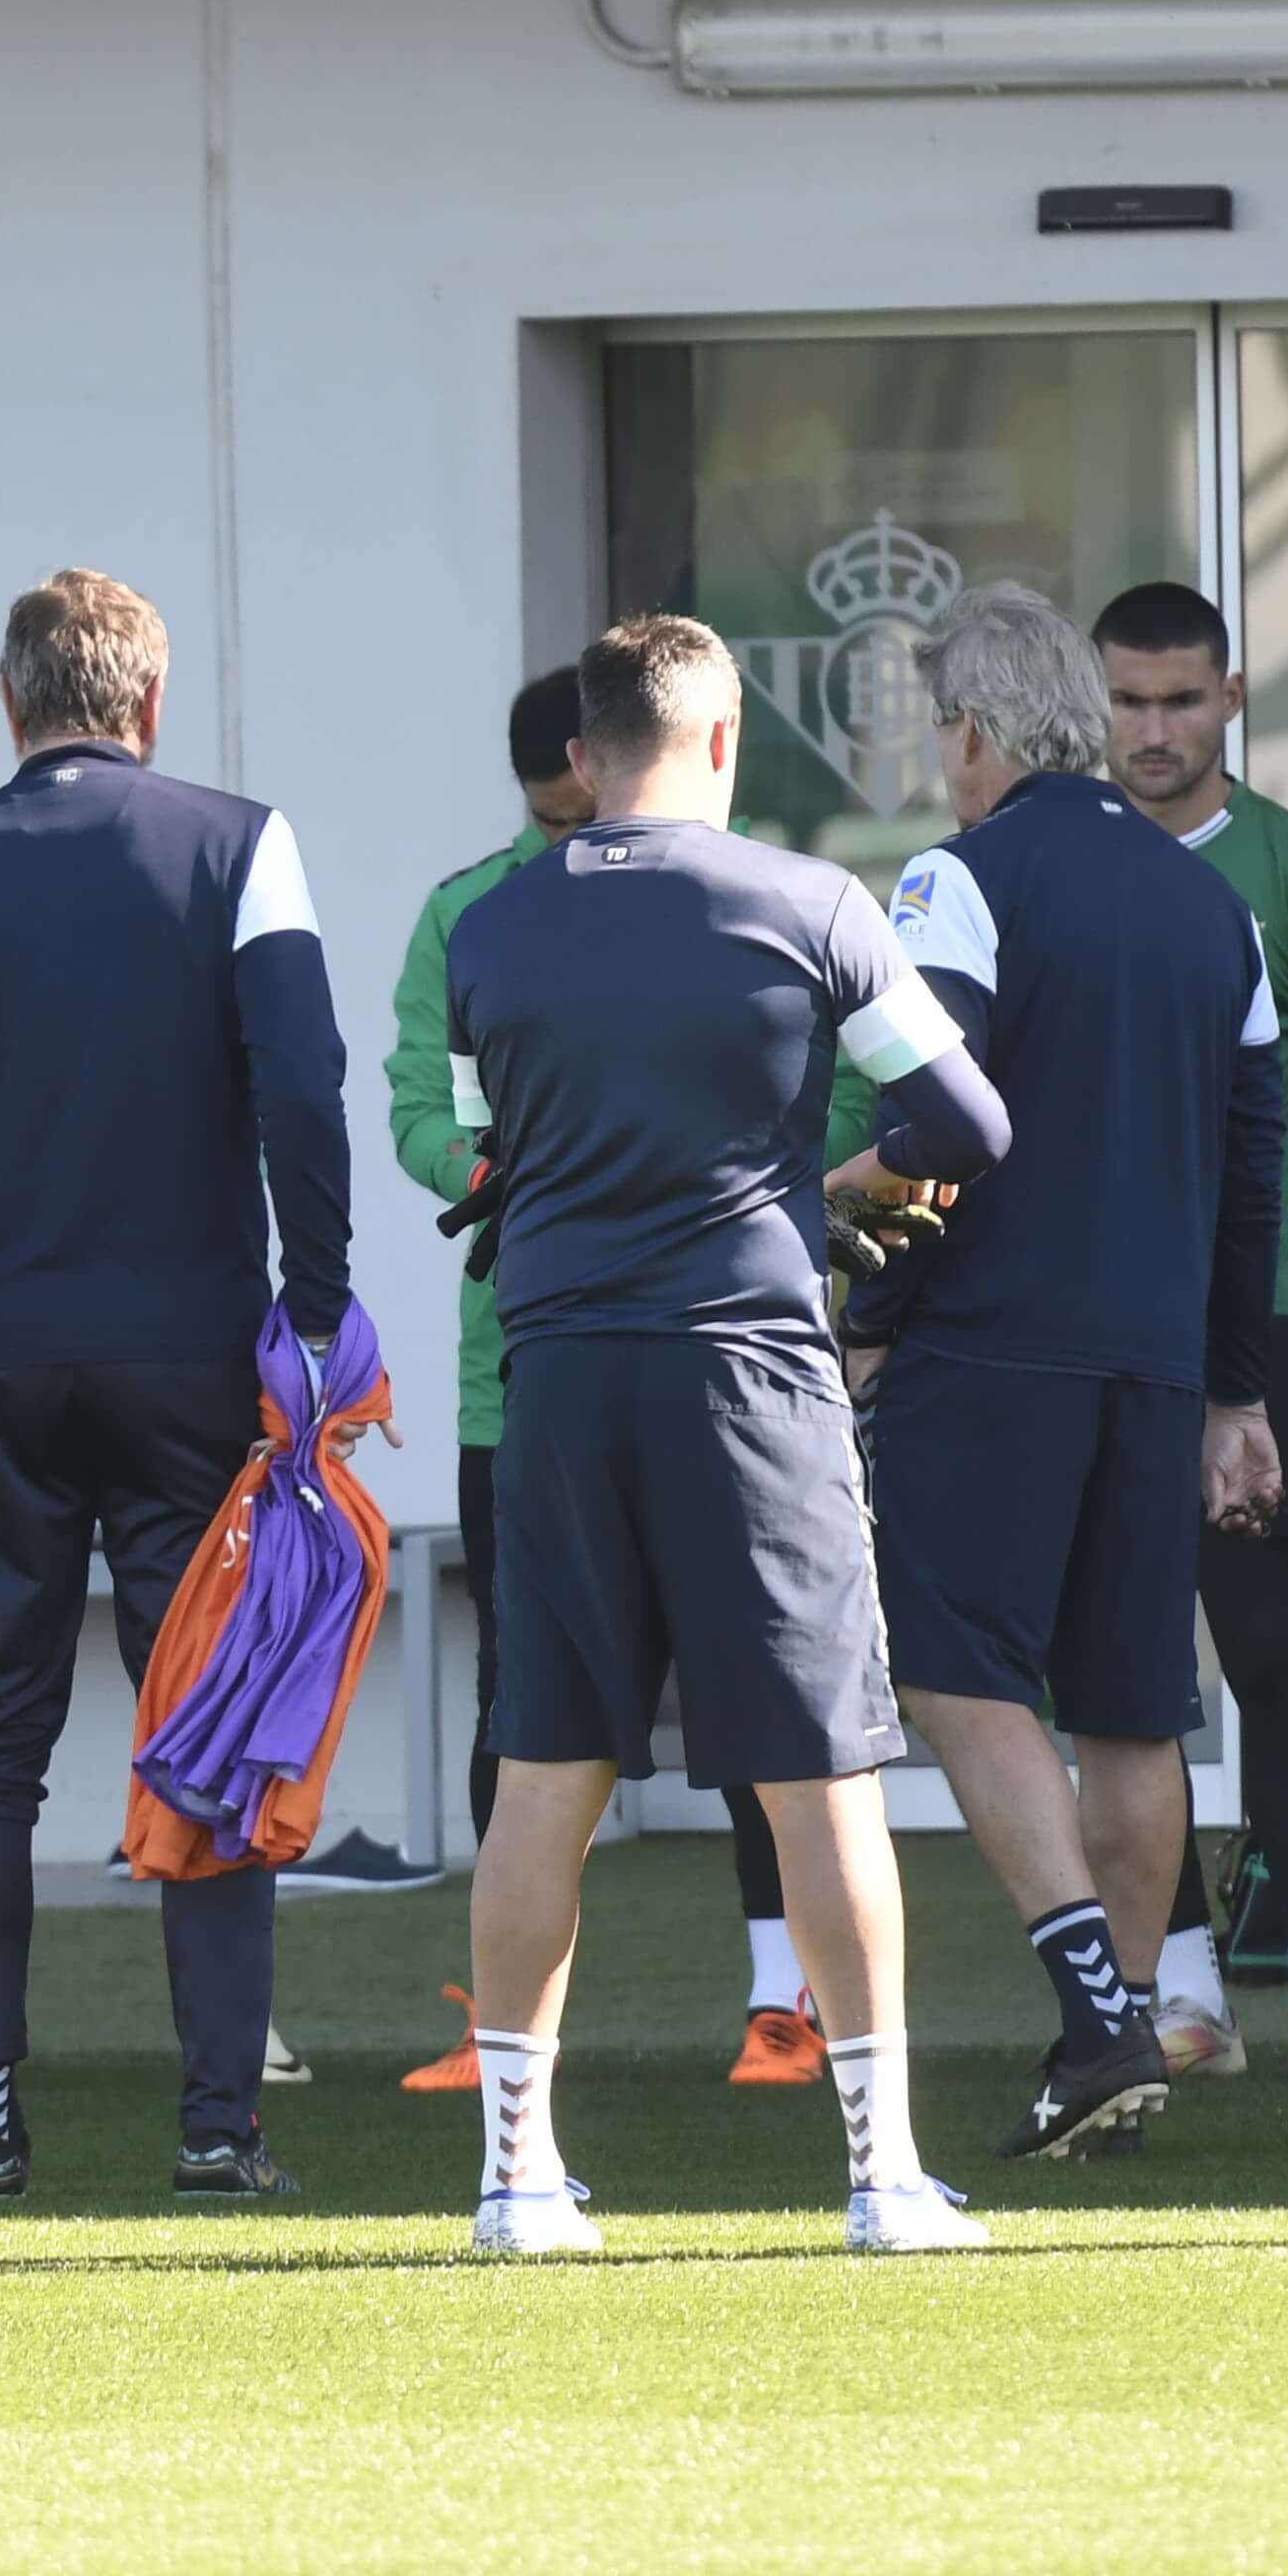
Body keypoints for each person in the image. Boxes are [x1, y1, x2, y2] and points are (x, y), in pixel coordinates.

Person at [440, 614, 1012, 2258]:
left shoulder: (487, 930)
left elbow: (488, 1163)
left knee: (546, 1770)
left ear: (577, 756)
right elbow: (970, 1117)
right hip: (750, 1375)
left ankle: (516, 2179)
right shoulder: (812, 903)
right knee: (819, 1774)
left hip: (555, 1375)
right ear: (722, 742)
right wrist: (834, 1189)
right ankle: (882, 2175)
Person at [0, 569, 351, 2201]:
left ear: (10, 704)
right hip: (191, 1357)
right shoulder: (239, 843)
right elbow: (307, 1099)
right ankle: (216, 2124)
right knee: (207, 1726)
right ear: (148, 704)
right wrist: (315, 1315)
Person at [853, 587, 1286, 2167]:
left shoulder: (955, 878)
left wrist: (852, 1276)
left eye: (941, 737)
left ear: (971, 732)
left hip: (995, 1341)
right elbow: (1260, 1170)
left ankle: (1099, 2013)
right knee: (1127, 1702)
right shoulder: (1207, 905)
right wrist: (1234, 1390)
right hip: (1157, 1355)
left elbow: (929, 1129)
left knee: (957, 1668)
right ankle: (1131, 2042)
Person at [384, 670, 811, 2094]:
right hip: (529, 1376)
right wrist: (505, 1175)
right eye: (564, 816)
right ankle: (494, 2035)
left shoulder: (739, 893)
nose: (591, 834)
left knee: (767, 1707)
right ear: (551, 779)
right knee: (528, 1713)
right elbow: (420, 1112)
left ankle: (782, 2006)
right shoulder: (475, 915)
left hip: (717, 1358)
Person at [1092, 581, 1288, 2085]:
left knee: (1271, 1648)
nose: (1152, 731)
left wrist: (1261, 1263)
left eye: (1179, 699)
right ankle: (1184, 1992)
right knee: (1120, 1662)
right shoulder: (1046, 865)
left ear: (1231, 697)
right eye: (1127, 701)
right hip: (1082, 1331)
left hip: (1242, 1330)